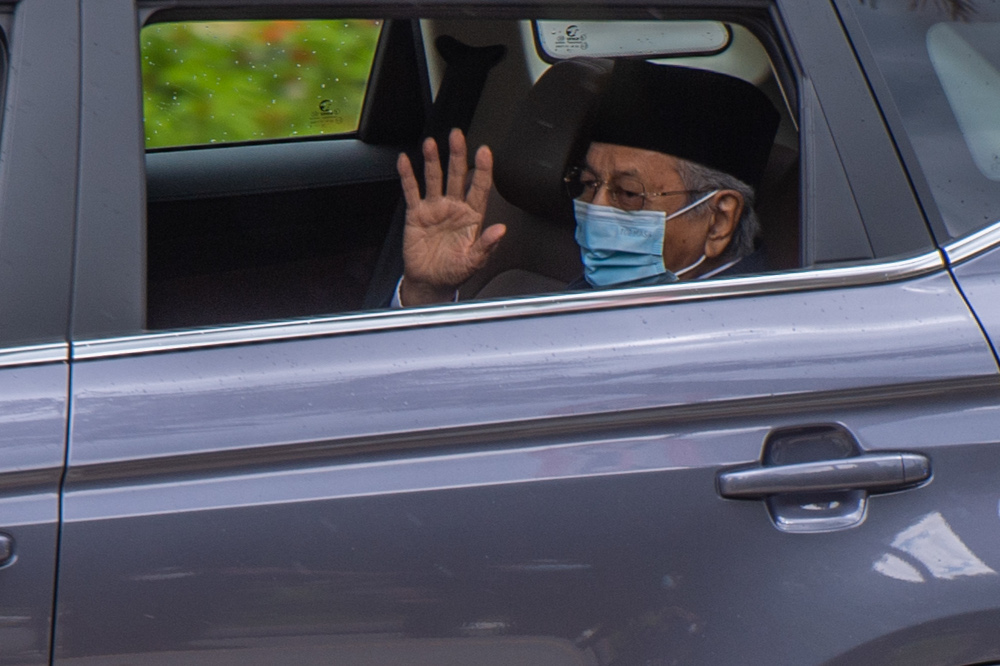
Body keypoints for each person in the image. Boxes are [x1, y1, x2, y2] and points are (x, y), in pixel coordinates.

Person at [393, 59, 780, 307]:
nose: (595, 210)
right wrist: (428, 292)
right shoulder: (605, 291)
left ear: (718, 220)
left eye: (629, 194)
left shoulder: (741, 328)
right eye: (589, 184)